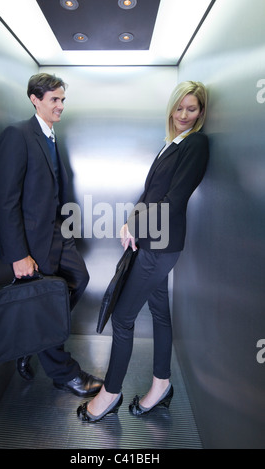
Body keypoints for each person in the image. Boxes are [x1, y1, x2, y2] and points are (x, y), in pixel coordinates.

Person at [77, 80, 209, 422]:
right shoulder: (171, 144)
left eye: (191, 109)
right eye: (179, 108)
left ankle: (110, 393)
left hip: (160, 247)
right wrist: (130, 223)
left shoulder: (195, 144)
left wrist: (137, 226)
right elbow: (150, 193)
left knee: (123, 317)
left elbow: (173, 201)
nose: (183, 115)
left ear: (201, 112)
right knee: (160, 314)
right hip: (153, 242)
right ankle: (161, 387)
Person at [0, 72, 103, 397]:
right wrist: (18, 254)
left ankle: (33, 337)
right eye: (54, 99)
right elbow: (6, 199)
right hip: (31, 243)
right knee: (46, 303)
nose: (60, 106)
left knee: (78, 280)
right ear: (34, 99)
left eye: (62, 99)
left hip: (58, 233)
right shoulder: (18, 135)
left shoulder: (52, 137)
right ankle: (65, 373)